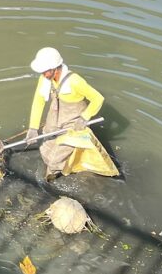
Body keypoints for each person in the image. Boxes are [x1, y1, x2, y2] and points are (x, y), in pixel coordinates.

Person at [24, 46, 105, 181]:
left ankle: (53, 175)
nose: (43, 74)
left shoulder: (75, 81)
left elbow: (98, 99)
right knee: (45, 147)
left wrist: (84, 118)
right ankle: (52, 168)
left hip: (74, 120)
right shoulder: (45, 79)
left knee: (56, 158)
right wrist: (33, 127)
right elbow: (38, 101)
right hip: (55, 114)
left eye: (45, 71)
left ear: (55, 68)